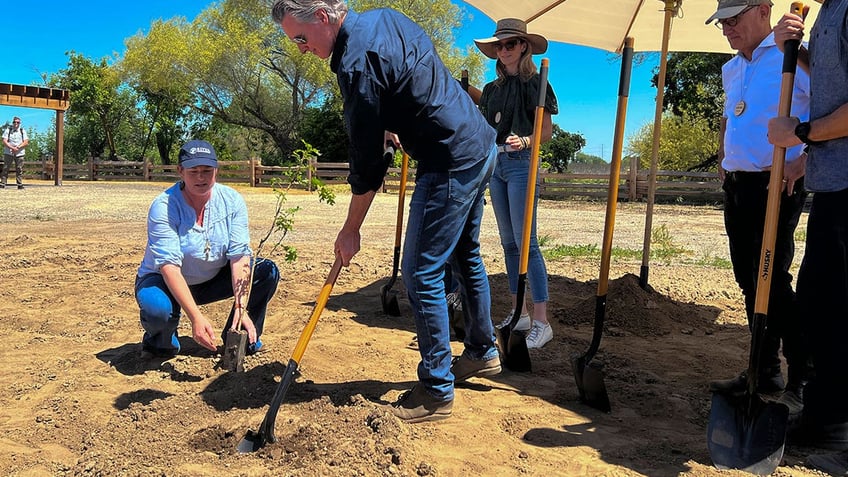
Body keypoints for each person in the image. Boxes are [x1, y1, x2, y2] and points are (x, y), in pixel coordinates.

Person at [271, 0, 501, 423]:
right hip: (479, 143)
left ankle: (436, 390)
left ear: (322, 16)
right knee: (465, 254)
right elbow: (414, 74)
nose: (301, 48)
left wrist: (350, 230)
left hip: (447, 159)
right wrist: (395, 121)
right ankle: (482, 351)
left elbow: (367, 164)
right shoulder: (382, 17)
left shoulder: (356, 66)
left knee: (421, 271)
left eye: (301, 38)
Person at [704, 0, 812, 410]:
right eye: (722, 24)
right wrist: (725, 154)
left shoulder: (791, 58)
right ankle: (763, 367)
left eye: (734, 20)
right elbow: (734, 118)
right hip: (738, 186)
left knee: (773, 279)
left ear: (763, 10)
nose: (728, 29)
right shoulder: (732, 69)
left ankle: (803, 375)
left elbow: (826, 114)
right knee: (748, 279)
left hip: (776, 183)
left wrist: (804, 161)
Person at [767, 0, 848, 471]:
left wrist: (801, 131)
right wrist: (794, 51)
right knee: (822, 303)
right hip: (832, 181)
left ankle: (835, 421)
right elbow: (836, 81)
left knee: (837, 305)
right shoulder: (831, 10)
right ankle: (828, 416)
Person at [134, 139, 280, 359]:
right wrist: (196, 317)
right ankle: (160, 344)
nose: (201, 177)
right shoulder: (164, 206)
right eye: (193, 171)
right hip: (164, 280)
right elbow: (169, 267)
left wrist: (242, 308)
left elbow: (240, 257)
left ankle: (241, 335)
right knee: (158, 309)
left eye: (207, 170)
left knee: (266, 271)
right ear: (180, 171)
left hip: (211, 279)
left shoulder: (232, 201)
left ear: (216, 171)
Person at [474, 19, 559, 349]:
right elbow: (485, 125)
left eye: (510, 44)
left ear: (524, 46)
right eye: (499, 45)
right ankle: (518, 312)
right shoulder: (492, 90)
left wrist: (525, 141)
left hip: (523, 164)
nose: (504, 50)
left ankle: (542, 320)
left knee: (528, 243)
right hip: (497, 165)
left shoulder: (536, 83)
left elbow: (547, 132)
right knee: (509, 243)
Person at [2, 117, 29, 190]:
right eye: (14, 122)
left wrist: (17, 148)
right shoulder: (8, 130)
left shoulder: (22, 130)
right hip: (8, 152)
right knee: (5, 168)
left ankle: (19, 184)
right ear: (12, 122)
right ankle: (3, 183)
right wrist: (12, 148)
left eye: (18, 122)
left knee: (19, 169)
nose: (16, 124)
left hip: (20, 153)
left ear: (20, 123)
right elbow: (4, 141)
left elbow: (26, 142)